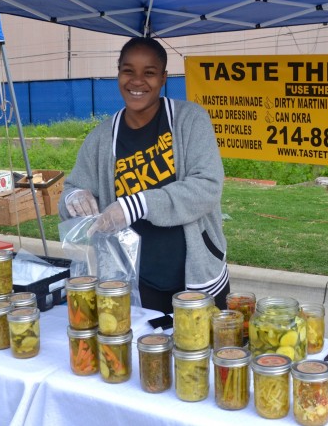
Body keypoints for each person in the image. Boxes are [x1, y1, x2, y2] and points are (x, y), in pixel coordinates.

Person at [58, 36, 229, 314]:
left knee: (200, 352)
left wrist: (133, 206)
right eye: (128, 71)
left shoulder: (190, 119)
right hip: (132, 281)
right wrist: (74, 199)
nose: (137, 82)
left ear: (163, 78)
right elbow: (72, 191)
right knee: (141, 354)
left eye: (149, 73)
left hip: (196, 274)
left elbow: (207, 186)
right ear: (118, 74)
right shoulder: (101, 138)